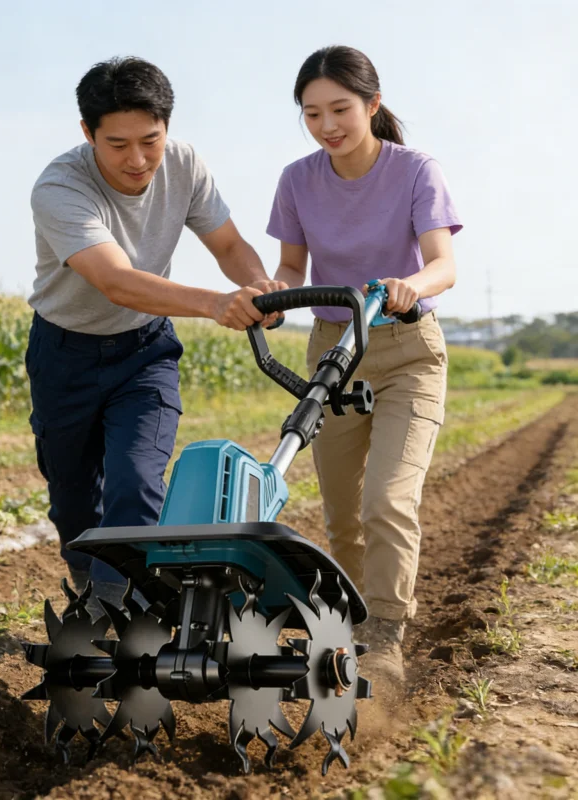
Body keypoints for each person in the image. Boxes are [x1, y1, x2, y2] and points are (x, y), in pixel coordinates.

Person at [26, 56, 286, 613]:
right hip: (64, 355)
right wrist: (217, 304)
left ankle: (125, 611)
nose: (138, 160)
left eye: (151, 140)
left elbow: (229, 246)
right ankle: (95, 585)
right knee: (72, 503)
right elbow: (116, 282)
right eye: (117, 144)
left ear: (167, 127)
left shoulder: (185, 165)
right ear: (87, 133)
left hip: (144, 354)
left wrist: (258, 286)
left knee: (137, 482)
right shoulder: (60, 186)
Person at [266, 45, 462, 683]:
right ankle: (348, 626)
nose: (327, 125)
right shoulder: (298, 179)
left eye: (340, 109)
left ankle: (386, 630)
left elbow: (443, 264)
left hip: (406, 348)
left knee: (386, 498)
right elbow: (292, 268)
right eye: (312, 113)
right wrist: (273, 297)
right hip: (332, 350)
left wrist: (410, 283)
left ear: (372, 105)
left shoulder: (415, 170)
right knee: (343, 514)